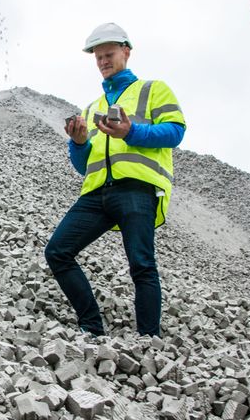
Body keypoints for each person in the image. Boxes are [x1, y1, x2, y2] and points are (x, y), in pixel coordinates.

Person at [45, 22, 186, 337]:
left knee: (142, 264)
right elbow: (85, 165)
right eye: (98, 57)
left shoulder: (153, 89)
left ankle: (149, 340)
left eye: (108, 54)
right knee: (57, 251)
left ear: (126, 51)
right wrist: (78, 143)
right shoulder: (93, 107)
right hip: (96, 194)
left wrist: (131, 131)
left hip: (137, 190)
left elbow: (175, 131)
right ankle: (91, 326)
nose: (103, 61)